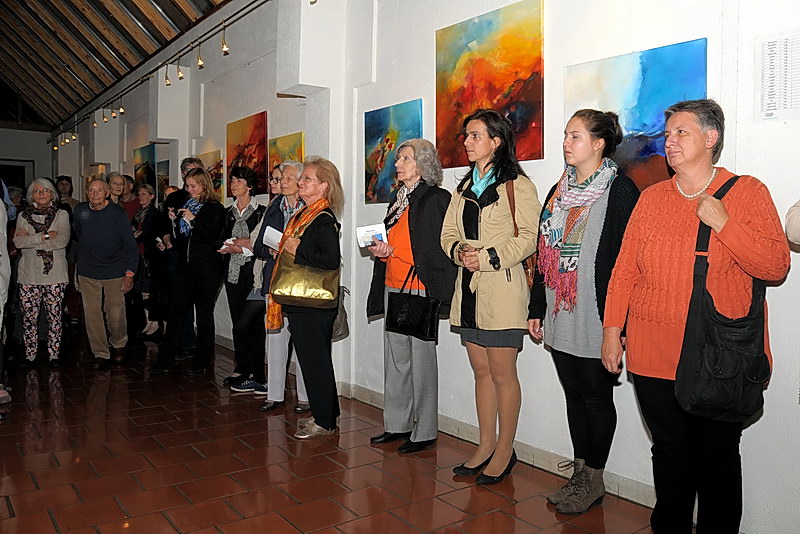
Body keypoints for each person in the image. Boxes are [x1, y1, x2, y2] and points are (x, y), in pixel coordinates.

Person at [602, 99, 790, 533]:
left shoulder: (747, 192)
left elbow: (776, 265)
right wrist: (612, 330)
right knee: (669, 455)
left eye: (681, 132)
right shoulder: (651, 199)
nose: (669, 141)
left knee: (716, 463)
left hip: (716, 357)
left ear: (711, 137)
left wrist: (725, 224)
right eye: (668, 134)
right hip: (652, 353)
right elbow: (625, 269)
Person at [527, 110, 639, 513]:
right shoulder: (559, 190)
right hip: (561, 310)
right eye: (565, 135)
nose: (566, 143)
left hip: (597, 314)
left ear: (598, 143)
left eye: (574, 136)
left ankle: (594, 479)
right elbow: (543, 252)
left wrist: (620, 324)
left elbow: (629, 263)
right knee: (574, 395)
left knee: (595, 397)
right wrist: (537, 305)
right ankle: (579, 472)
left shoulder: (620, 191)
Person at [440, 109, 540, 485]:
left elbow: (529, 237)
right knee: (481, 372)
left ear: (496, 142)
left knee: (502, 374)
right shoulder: (463, 186)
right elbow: (447, 233)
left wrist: (486, 258)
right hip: (468, 292)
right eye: (466, 135)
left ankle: (504, 450)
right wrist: (459, 252)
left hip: (503, 290)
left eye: (475, 136)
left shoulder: (517, 185)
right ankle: (485, 445)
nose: (467, 142)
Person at [366, 139, 456, 453]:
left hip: (419, 288)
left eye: (405, 158)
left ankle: (425, 430)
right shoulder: (398, 198)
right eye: (398, 158)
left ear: (423, 163)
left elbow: (435, 249)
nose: (398, 164)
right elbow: (398, 239)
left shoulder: (436, 198)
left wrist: (394, 251)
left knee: (421, 363)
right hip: (393, 286)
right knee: (396, 361)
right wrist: (381, 250)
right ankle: (397, 424)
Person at [268, 156, 343, 439]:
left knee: (315, 363)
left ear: (324, 186)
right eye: (302, 178)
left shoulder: (323, 219)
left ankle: (324, 422)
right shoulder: (305, 214)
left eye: (307, 179)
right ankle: (326, 415)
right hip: (303, 303)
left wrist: (296, 248)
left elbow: (330, 260)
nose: (301, 183)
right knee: (313, 362)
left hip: (313, 304)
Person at [150, 168, 226, 376]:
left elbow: (213, 237)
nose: (189, 189)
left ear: (204, 185)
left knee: (203, 315)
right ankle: (165, 360)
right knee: (175, 312)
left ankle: (202, 361)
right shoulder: (186, 205)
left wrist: (194, 220)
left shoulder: (215, 208)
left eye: (193, 186)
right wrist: (174, 222)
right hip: (185, 267)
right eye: (187, 185)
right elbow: (181, 240)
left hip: (207, 269)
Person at [254, 161, 310, 412]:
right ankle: (274, 394)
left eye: (288, 178)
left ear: (300, 181)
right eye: (280, 178)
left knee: (303, 341)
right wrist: (269, 250)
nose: (282, 182)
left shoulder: (310, 208)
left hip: (301, 281)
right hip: (275, 280)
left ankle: (305, 397)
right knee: (275, 339)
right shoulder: (273, 207)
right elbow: (258, 245)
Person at [74, 178, 138, 370]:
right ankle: (100, 353)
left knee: (115, 311)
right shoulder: (80, 210)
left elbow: (130, 244)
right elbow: (79, 234)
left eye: (99, 190)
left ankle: (118, 343)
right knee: (92, 313)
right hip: (87, 270)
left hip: (114, 269)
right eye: (91, 190)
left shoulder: (117, 212)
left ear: (107, 193)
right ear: (86, 193)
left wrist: (129, 274)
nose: (95, 194)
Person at [218, 167, 267, 393]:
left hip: (254, 275)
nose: (234, 184)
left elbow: (262, 243)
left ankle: (258, 373)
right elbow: (220, 238)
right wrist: (232, 246)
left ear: (250, 185)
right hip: (233, 273)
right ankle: (242, 368)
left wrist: (242, 247)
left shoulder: (261, 212)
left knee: (253, 324)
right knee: (237, 322)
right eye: (232, 180)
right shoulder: (227, 213)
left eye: (238, 180)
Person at [13, 179, 71, 369]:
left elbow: (62, 241)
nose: (41, 194)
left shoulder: (61, 214)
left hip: (55, 273)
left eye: (45, 190)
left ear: (52, 193)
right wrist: (46, 236)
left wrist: (31, 239)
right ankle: (30, 354)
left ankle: (54, 354)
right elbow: (18, 243)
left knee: (54, 316)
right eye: (37, 191)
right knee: (29, 318)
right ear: (31, 195)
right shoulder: (23, 215)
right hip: (29, 274)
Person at [131, 184, 160, 337]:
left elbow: (146, 234)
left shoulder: (154, 213)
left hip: (149, 257)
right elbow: (131, 230)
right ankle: (148, 321)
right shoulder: (137, 213)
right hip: (138, 256)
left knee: (148, 291)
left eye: (144, 194)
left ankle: (154, 322)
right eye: (139, 194)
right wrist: (135, 234)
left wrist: (136, 235)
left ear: (152, 196)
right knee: (140, 291)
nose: (140, 197)